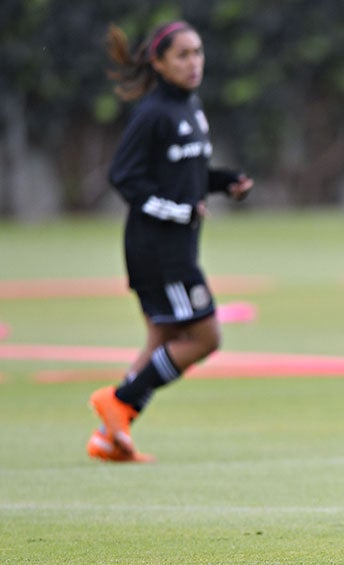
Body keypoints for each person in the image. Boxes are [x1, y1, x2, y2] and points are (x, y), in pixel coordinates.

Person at [86, 21, 253, 463]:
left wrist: (224, 181)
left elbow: (188, 177)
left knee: (161, 337)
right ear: (159, 64)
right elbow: (123, 177)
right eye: (182, 55)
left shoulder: (190, 107)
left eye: (198, 52)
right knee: (204, 337)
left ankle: (109, 438)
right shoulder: (154, 112)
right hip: (159, 250)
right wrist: (178, 211)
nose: (194, 62)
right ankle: (120, 400)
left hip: (174, 246)